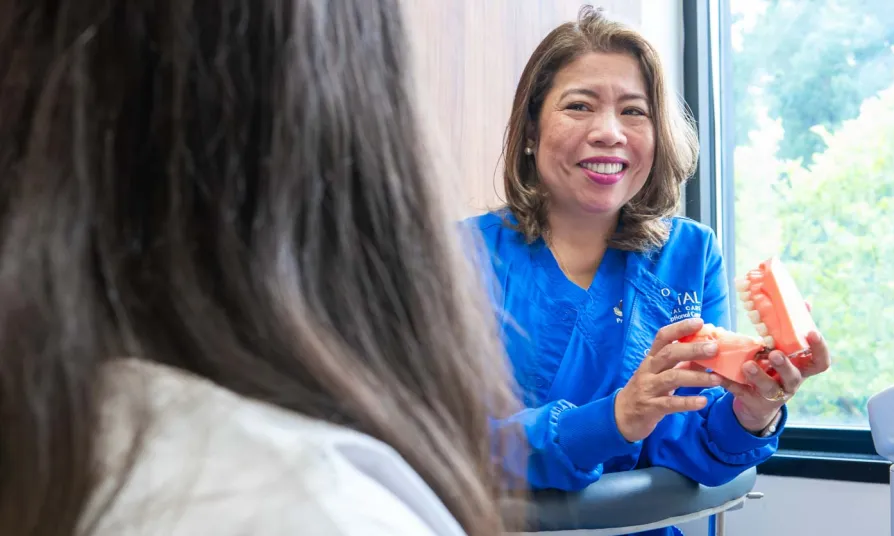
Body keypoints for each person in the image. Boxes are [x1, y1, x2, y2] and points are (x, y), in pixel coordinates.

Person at [0, 1, 524, 535]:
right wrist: (601, 423)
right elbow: (491, 440)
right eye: (580, 105)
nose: (610, 132)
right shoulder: (296, 501)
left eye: (621, 109)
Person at [465, 6, 831, 535]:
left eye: (634, 111)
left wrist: (753, 410)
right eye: (579, 105)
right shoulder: (460, 257)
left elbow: (695, 444)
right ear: (529, 130)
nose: (610, 132)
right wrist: (612, 420)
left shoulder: (689, 253)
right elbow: (450, 444)